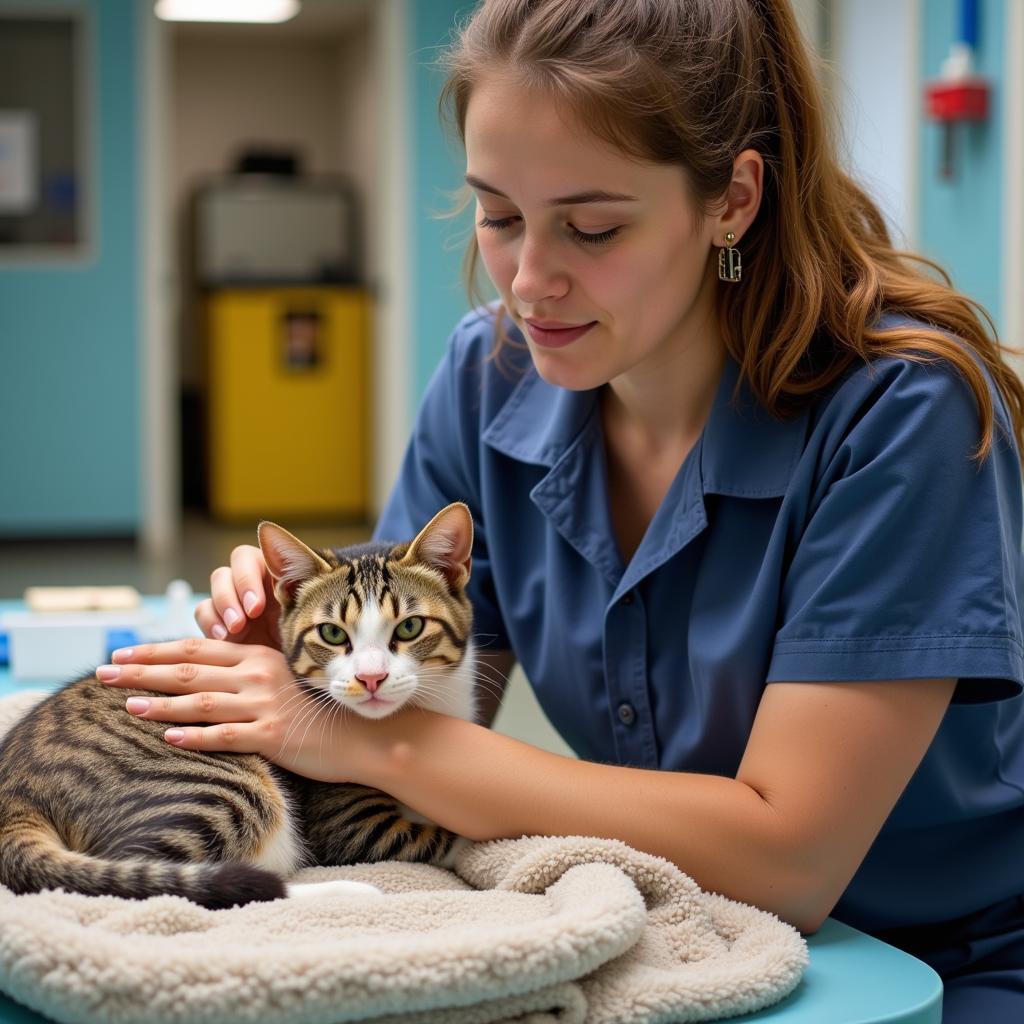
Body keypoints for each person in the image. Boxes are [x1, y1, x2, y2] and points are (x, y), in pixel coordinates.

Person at [97, 2, 1024, 1018]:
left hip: (931, 962)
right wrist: (309, 665)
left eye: (591, 226)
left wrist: (370, 744)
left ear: (732, 199)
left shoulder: (905, 415)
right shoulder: (487, 378)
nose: (530, 283)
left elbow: (789, 857)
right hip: (673, 918)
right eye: (499, 216)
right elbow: (420, 718)